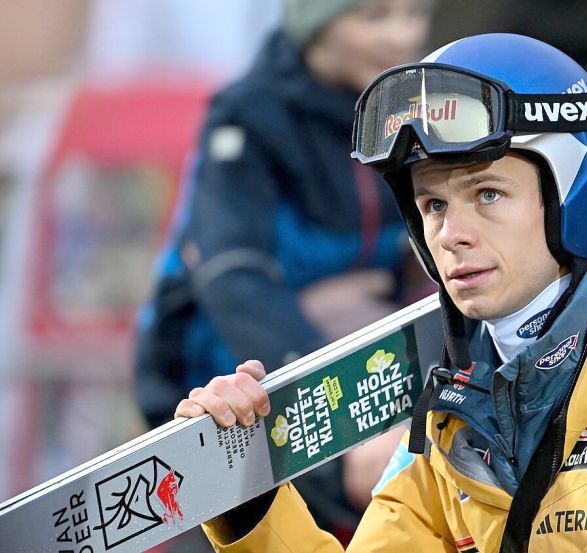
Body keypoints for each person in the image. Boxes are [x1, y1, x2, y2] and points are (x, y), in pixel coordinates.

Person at [176, 33, 587, 551]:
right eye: (432, 204)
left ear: (571, 193)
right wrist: (249, 501)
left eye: (487, 194)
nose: (452, 234)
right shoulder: (448, 430)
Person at [137, 0, 434, 540]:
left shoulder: (410, 112)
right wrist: (338, 406)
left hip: (353, 368)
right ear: (313, 22)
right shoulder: (246, 118)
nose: (402, 36)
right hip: (224, 386)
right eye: (374, 17)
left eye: (415, 13)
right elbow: (233, 277)